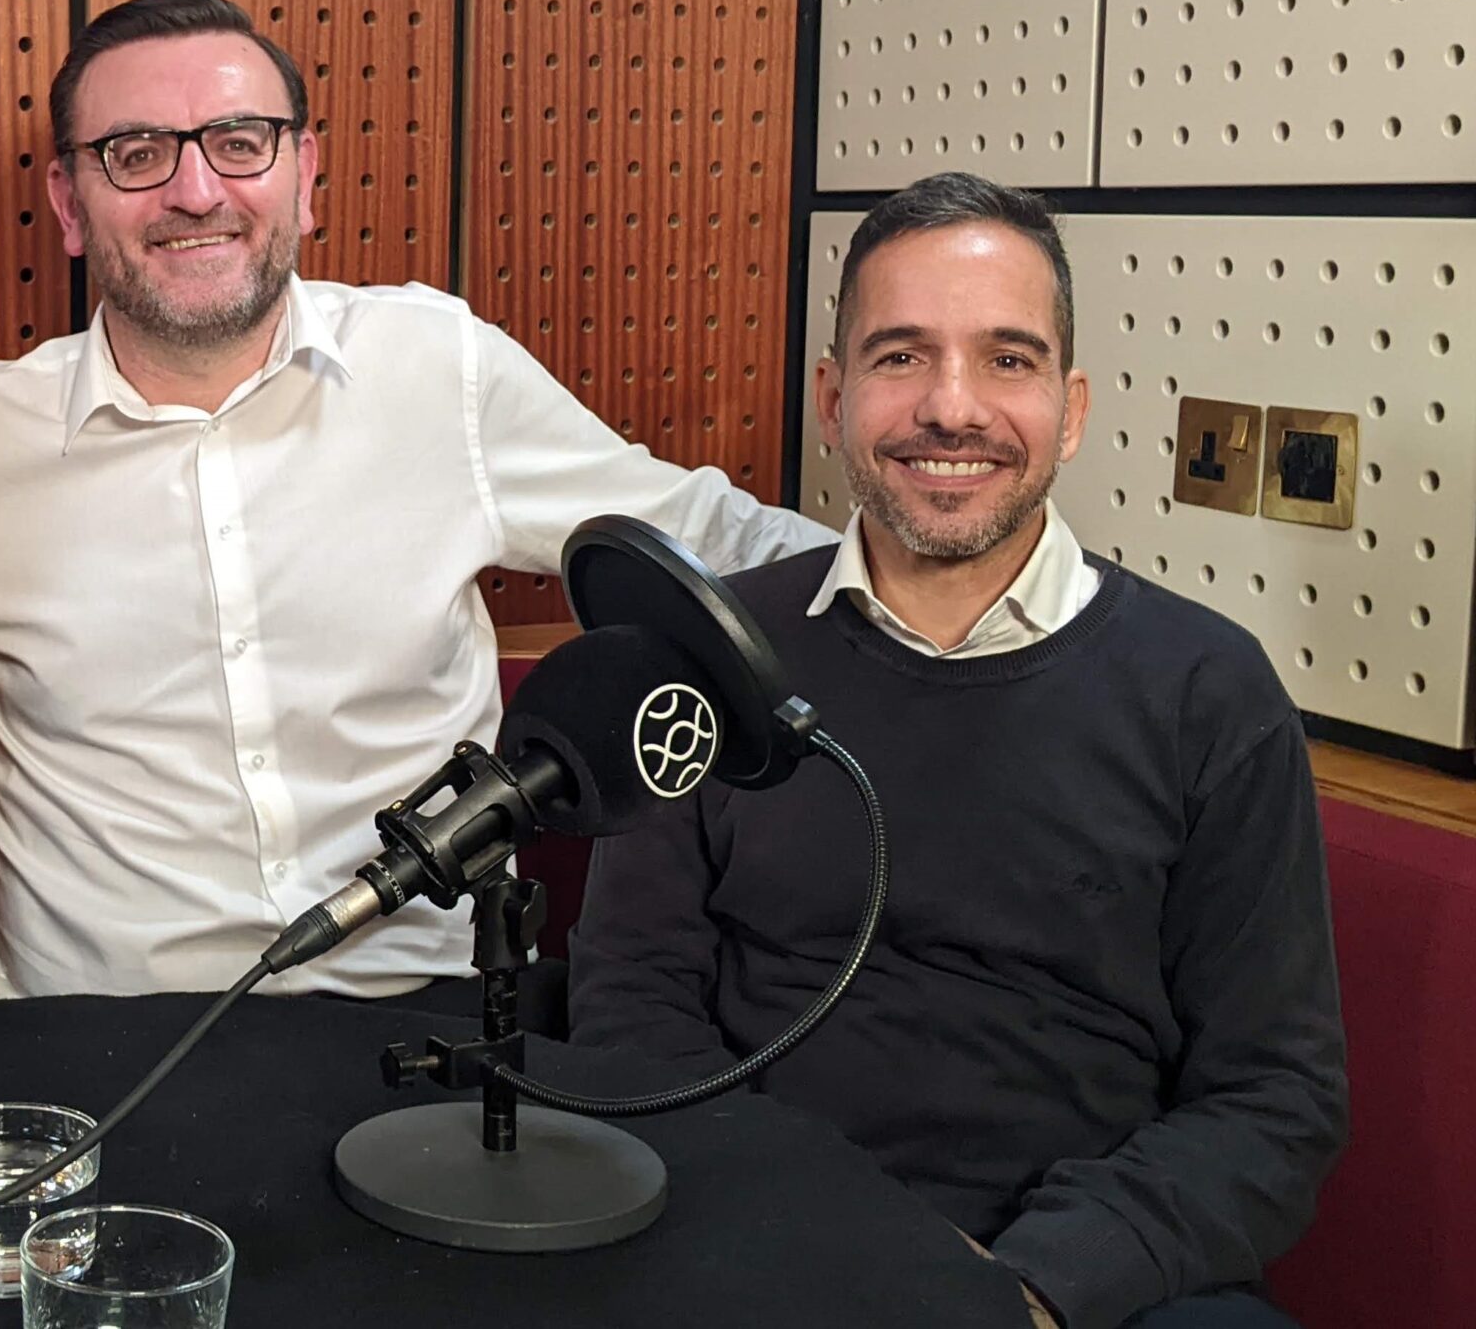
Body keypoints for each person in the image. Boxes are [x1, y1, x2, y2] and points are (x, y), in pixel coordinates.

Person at [0, 0, 832, 1001]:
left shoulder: (440, 368)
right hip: (103, 1041)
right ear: (69, 204)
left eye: (240, 144)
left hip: (431, 1011)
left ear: (304, 174)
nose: (195, 192)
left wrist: (961, 576)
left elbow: (719, 544)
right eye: (135, 154)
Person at [567, 172, 1346, 1329]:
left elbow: (1273, 1096)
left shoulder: (1207, 692)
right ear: (832, 396)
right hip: (748, 1238)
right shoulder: (707, 655)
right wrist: (787, 1231)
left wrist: (1024, 1289)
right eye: (898, 357)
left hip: (1087, 1287)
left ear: (1071, 409)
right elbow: (633, 1003)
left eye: (1007, 360)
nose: (951, 407)